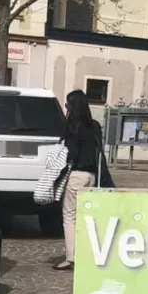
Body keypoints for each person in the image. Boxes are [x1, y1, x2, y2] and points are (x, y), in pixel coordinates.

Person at [55, 90, 107, 272]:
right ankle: (89, 253)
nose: (66, 107)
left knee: (69, 216)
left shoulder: (72, 127)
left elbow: (70, 154)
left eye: (67, 104)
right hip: (92, 176)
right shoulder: (95, 126)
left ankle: (71, 257)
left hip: (76, 175)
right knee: (86, 217)